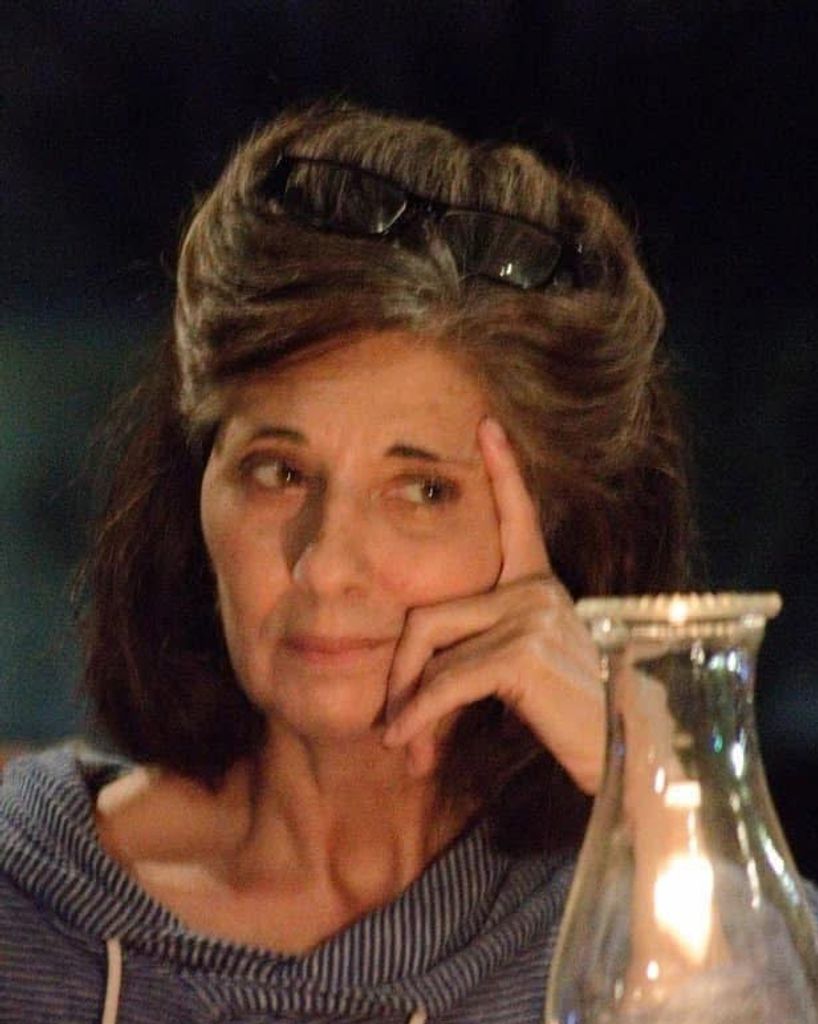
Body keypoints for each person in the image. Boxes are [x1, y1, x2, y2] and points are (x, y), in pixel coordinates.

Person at [0, 102, 692, 1023]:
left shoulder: (642, 913)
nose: (325, 567)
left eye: (423, 491)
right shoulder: (22, 904)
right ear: (196, 490)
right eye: (279, 473)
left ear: (550, 532)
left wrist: (648, 789)